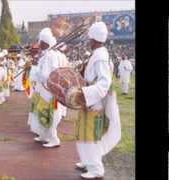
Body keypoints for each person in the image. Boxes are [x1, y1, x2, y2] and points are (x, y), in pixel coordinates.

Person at [73, 22, 121, 179]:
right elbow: (92, 76)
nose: (88, 41)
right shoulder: (97, 53)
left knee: (91, 136)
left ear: (94, 39)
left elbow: (104, 83)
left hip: (93, 102)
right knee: (84, 133)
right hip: (88, 100)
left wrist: (85, 93)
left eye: (89, 39)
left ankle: (96, 168)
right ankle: (87, 161)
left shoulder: (100, 57)